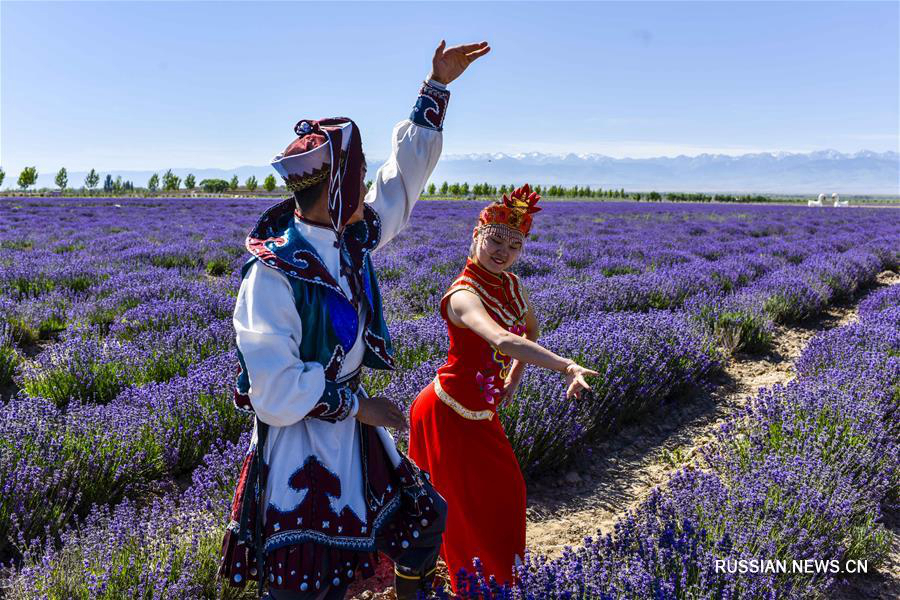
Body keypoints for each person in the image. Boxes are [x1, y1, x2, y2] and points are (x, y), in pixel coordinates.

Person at [216, 40, 491, 600]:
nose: (367, 183)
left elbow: (399, 185)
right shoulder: (273, 274)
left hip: (349, 430)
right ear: (337, 185)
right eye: (357, 173)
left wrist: (436, 88)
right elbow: (272, 388)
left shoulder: (348, 240)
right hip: (300, 445)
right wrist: (358, 406)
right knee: (306, 580)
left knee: (422, 521)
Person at [407, 184, 599, 593]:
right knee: (459, 508)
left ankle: (498, 582)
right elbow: (502, 339)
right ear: (476, 236)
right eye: (495, 239)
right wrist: (563, 365)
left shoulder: (511, 285)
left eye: (514, 245)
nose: (502, 251)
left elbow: (529, 329)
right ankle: (469, 584)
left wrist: (513, 377)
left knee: (507, 493)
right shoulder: (463, 294)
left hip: (481, 409)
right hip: (446, 411)